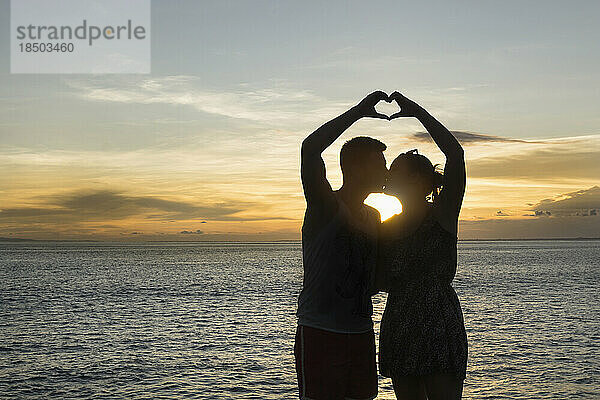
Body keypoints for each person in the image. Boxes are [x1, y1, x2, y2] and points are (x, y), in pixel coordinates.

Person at [294, 91, 390, 400]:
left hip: (361, 332)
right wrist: (359, 112)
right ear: (358, 169)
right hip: (321, 332)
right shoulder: (327, 208)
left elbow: (375, 279)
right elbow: (310, 150)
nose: (386, 173)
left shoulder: (375, 217)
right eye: (381, 165)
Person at [376, 91, 468, 400]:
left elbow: (455, 156)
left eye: (396, 169)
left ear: (417, 181)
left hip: (438, 324)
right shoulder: (384, 228)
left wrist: (416, 112)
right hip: (400, 323)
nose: (388, 174)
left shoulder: (441, 216)